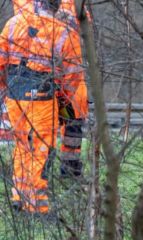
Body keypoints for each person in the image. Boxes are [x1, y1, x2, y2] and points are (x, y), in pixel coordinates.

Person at [0, 0, 85, 213]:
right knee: (41, 148)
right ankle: (37, 206)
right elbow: (72, 76)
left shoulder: (13, 23)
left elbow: (1, 60)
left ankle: (19, 195)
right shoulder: (64, 31)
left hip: (14, 94)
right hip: (43, 95)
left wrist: (5, 88)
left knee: (22, 145)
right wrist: (67, 102)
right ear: (58, 6)